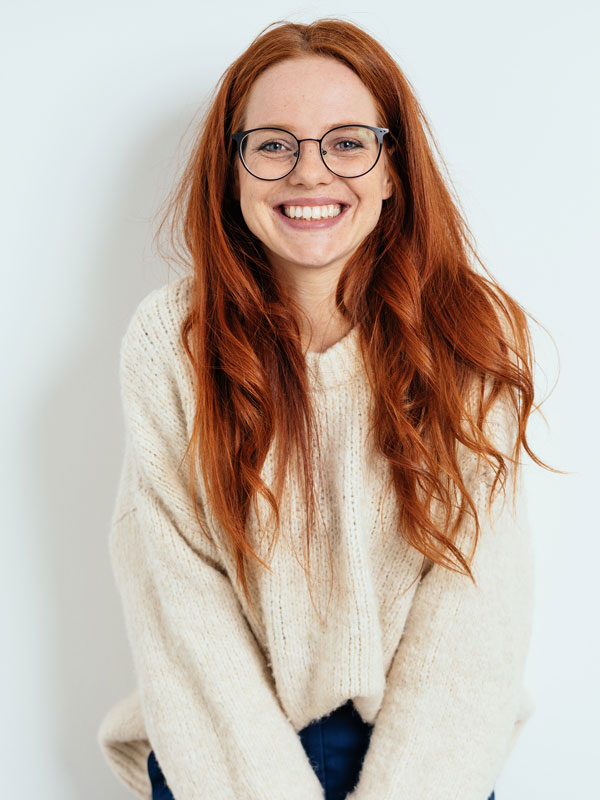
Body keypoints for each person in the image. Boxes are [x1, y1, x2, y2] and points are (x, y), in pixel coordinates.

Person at [97, 17, 555, 800]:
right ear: (231, 170)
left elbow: (475, 619)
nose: (310, 173)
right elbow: (181, 611)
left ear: (392, 170)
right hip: (223, 752)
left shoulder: (473, 335)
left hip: (422, 759)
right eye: (273, 144)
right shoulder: (171, 343)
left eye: (347, 142)